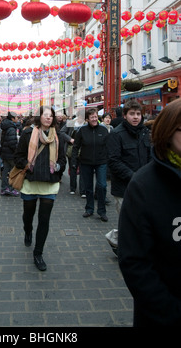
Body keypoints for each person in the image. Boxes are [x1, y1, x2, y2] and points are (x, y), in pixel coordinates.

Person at [118, 98, 181, 326]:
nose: (136, 117)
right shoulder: (145, 186)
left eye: (139, 114)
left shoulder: (143, 136)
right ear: (167, 132)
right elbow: (135, 262)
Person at [13, 106, 66, 271]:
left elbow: (63, 160)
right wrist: (27, 165)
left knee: (44, 220)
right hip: (31, 180)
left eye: (51, 116)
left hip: (50, 183)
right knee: (28, 215)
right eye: (46, 115)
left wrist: (58, 167)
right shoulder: (28, 133)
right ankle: (27, 230)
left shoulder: (57, 137)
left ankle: (38, 253)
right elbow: (18, 157)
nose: (49, 118)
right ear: (39, 117)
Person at [106, 99, 151, 255]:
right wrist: (134, 176)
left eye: (138, 114)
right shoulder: (117, 134)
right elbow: (113, 161)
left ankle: (121, 242)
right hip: (124, 187)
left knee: (139, 220)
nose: (136, 117)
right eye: (132, 114)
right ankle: (123, 246)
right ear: (125, 116)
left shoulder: (145, 132)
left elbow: (150, 156)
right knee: (129, 220)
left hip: (144, 186)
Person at [71, 107, 109, 222]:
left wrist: (109, 160)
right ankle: (89, 208)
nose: (94, 119)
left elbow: (108, 146)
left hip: (101, 162)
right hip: (86, 162)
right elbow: (76, 147)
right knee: (88, 187)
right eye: (92, 117)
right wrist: (74, 162)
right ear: (87, 119)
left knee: (102, 186)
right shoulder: (82, 131)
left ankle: (102, 211)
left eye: (96, 117)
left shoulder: (103, 130)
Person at [60, 109, 85, 195]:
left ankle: (83, 190)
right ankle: (72, 188)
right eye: (81, 116)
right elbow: (62, 132)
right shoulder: (71, 123)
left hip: (84, 150)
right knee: (73, 167)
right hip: (72, 149)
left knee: (83, 169)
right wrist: (70, 139)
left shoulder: (86, 124)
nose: (82, 119)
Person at [0, 111, 20, 196]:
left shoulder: (5, 126)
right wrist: (16, 151)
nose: (18, 119)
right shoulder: (11, 128)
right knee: (13, 171)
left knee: (5, 171)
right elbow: (12, 143)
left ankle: (4, 188)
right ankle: (11, 188)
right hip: (10, 153)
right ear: (12, 118)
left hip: (5, 152)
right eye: (16, 117)